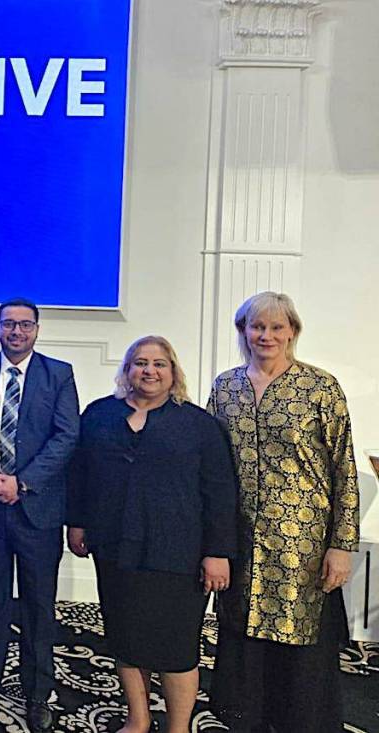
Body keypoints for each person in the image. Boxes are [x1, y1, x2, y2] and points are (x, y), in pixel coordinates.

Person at [66, 336, 237, 733]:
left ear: (173, 372)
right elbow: (79, 475)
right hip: (115, 549)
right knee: (126, 638)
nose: (149, 371)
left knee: (176, 647)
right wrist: (76, 523)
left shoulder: (199, 425)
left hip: (179, 554)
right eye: (140, 363)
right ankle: (138, 720)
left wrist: (217, 552)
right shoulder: (98, 415)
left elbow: (220, 493)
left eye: (159, 364)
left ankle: (178, 727)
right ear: (127, 371)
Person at [207, 291, 359, 733]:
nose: (266, 335)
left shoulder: (320, 387)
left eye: (276, 327)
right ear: (243, 331)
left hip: (303, 547)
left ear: (292, 331)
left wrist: (342, 545)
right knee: (243, 635)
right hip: (239, 540)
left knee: (301, 641)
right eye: (257, 327)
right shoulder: (226, 386)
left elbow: (342, 469)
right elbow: (211, 464)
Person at [0, 297, 80, 732]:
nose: (17, 332)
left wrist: (20, 483)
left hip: (38, 512)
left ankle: (37, 693)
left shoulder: (58, 374)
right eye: (9, 324)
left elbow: (66, 437)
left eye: (25, 325)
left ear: (37, 330)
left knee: (38, 607)